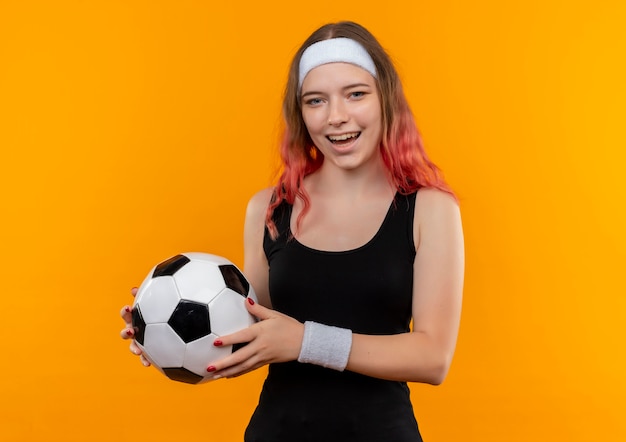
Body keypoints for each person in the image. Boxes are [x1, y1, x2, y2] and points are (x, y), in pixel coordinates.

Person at [120, 21, 464, 442]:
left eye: (356, 94)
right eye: (315, 100)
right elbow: (253, 335)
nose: (336, 117)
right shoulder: (268, 208)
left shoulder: (429, 209)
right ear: (300, 113)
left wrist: (306, 341)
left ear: (386, 99)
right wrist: (159, 327)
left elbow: (433, 358)